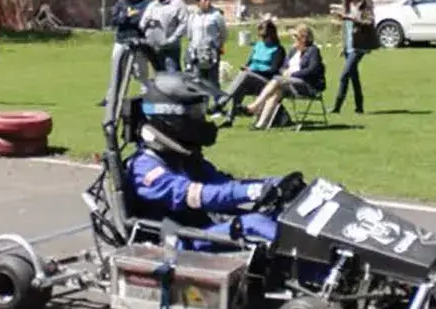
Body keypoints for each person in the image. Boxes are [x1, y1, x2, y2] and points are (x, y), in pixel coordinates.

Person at [127, 74, 291, 245]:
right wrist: (252, 191)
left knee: (278, 217)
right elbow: (194, 195)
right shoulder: (145, 167)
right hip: (172, 243)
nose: (202, 119)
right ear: (170, 117)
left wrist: (274, 183)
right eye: (196, 112)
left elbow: (222, 184)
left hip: (199, 229)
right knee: (254, 223)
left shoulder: (182, 158)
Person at [247, 23, 325, 130]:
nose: (293, 39)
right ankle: (261, 124)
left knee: (276, 80)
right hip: (289, 83)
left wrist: (292, 74)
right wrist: (284, 71)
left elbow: (312, 70)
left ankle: (255, 106)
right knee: (276, 93)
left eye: (296, 37)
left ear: (303, 38)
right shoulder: (293, 51)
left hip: (307, 84)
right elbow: (283, 67)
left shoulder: (313, 50)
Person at [219, 19, 285, 123]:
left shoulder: (278, 49)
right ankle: (229, 119)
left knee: (245, 76)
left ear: (272, 35)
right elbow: (248, 63)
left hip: (267, 82)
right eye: (261, 36)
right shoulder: (258, 46)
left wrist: (254, 70)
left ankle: (222, 101)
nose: (263, 39)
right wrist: (245, 67)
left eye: (265, 37)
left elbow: (274, 70)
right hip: (251, 78)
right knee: (241, 84)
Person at [104, 0, 150, 103]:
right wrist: (126, 16)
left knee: (141, 71)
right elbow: (114, 21)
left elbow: (141, 21)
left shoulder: (145, 3)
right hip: (121, 41)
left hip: (138, 41)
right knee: (117, 69)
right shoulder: (120, 3)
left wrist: (129, 19)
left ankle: (146, 95)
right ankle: (112, 98)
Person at [334, 0, 377, 115]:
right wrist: (344, 45)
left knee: (344, 75)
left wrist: (350, 18)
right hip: (349, 45)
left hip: (359, 45)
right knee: (353, 77)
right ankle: (359, 107)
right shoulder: (347, 5)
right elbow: (346, 28)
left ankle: (337, 106)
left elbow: (369, 21)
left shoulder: (365, 4)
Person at [138, 0, 189, 73]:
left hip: (170, 50)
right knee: (159, 80)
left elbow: (184, 24)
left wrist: (171, 39)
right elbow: (142, 24)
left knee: (173, 80)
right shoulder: (151, 5)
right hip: (154, 50)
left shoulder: (177, 4)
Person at [184, 0, 228, 92]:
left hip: (212, 53)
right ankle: (202, 106)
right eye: (205, 0)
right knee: (198, 81)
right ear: (198, 2)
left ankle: (217, 105)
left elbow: (224, 33)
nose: (208, 2)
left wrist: (218, 45)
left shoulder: (216, 15)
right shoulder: (193, 16)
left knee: (213, 81)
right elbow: (189, 35)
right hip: (197, 54)